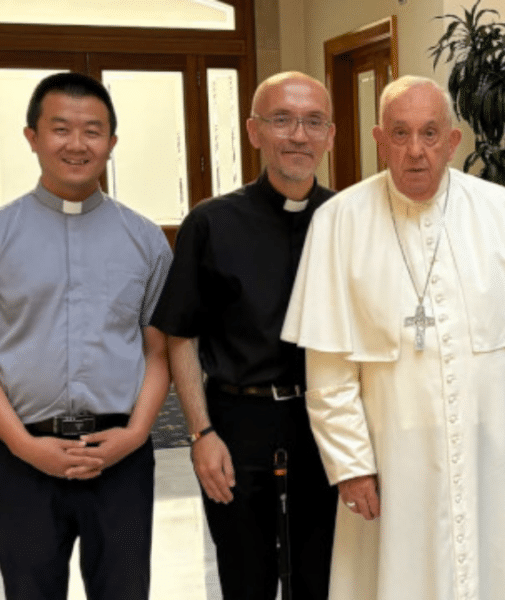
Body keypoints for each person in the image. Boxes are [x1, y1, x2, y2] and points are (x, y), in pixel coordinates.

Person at [281, 75, 505, 600]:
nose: (415, 151)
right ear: (377, 139)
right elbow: (328, 370)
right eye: (400, 133)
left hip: (495, 456)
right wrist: (352, 466)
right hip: (394, 464)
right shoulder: (338, 221)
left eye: (430, 133)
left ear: (453, 140)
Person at [150, 71, 337, 600]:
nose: (298, 135)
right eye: (282, 120)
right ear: (255, 131)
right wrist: (200, 435)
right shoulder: (211, 223)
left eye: (312, 122)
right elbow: (180, 336)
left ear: (330, 135)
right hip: (237, 421)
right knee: (245, 578)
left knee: (320, 577)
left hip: (327, 422)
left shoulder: (346, 218)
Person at [0, 72, 172, 600]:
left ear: (112, 144)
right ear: (32, 137)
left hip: (120, 455)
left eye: (93, 131)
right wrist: (24, 445)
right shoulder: (3, 235)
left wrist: (136, 434)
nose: (77, 144)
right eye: (60, 129)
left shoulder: (146, 241)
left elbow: (158, 351)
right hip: (20, 455)